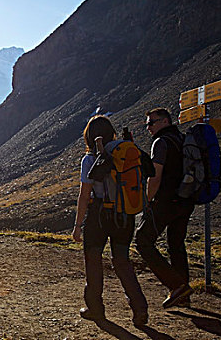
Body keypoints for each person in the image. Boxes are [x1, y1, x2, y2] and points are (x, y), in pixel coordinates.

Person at [72, 115, 148, 326]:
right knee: (122, 261)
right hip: (125, 214)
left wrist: (78, 226)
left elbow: (85, 195)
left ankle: (95, 309)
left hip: (99, 215)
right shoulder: (127, 153)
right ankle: (140, 307)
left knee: (93, 259)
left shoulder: (90, 159)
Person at [135, 107, 195, 308]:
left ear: (164, 122)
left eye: (151, 123)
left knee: (143, 240)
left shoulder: (161, 143)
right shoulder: (182, 139)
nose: (148, 127)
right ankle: (183, 294)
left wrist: (146, 201)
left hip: (166, 201)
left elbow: (155, 175)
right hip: (186, 201)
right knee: (176, 245)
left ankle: (176, 286)